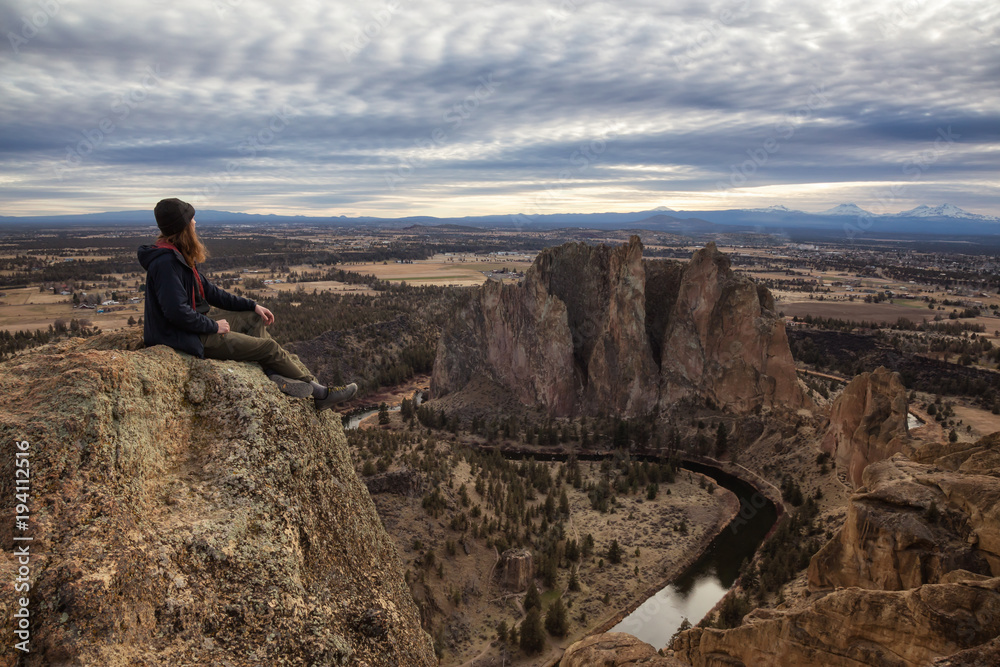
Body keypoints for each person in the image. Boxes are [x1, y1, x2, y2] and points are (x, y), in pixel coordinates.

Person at [137, 197, 357, 410]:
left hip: (191, 328)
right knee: (268, 347)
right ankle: (321, 394)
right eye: (191, 219)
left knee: (253, 318)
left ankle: (273, 373)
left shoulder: (177, 257)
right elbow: (176, 313)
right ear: (183, 227)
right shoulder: (167, 263)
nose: (195, 223)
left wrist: (252, 305)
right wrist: (214, 327)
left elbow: (211, 292)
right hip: (183, 337)